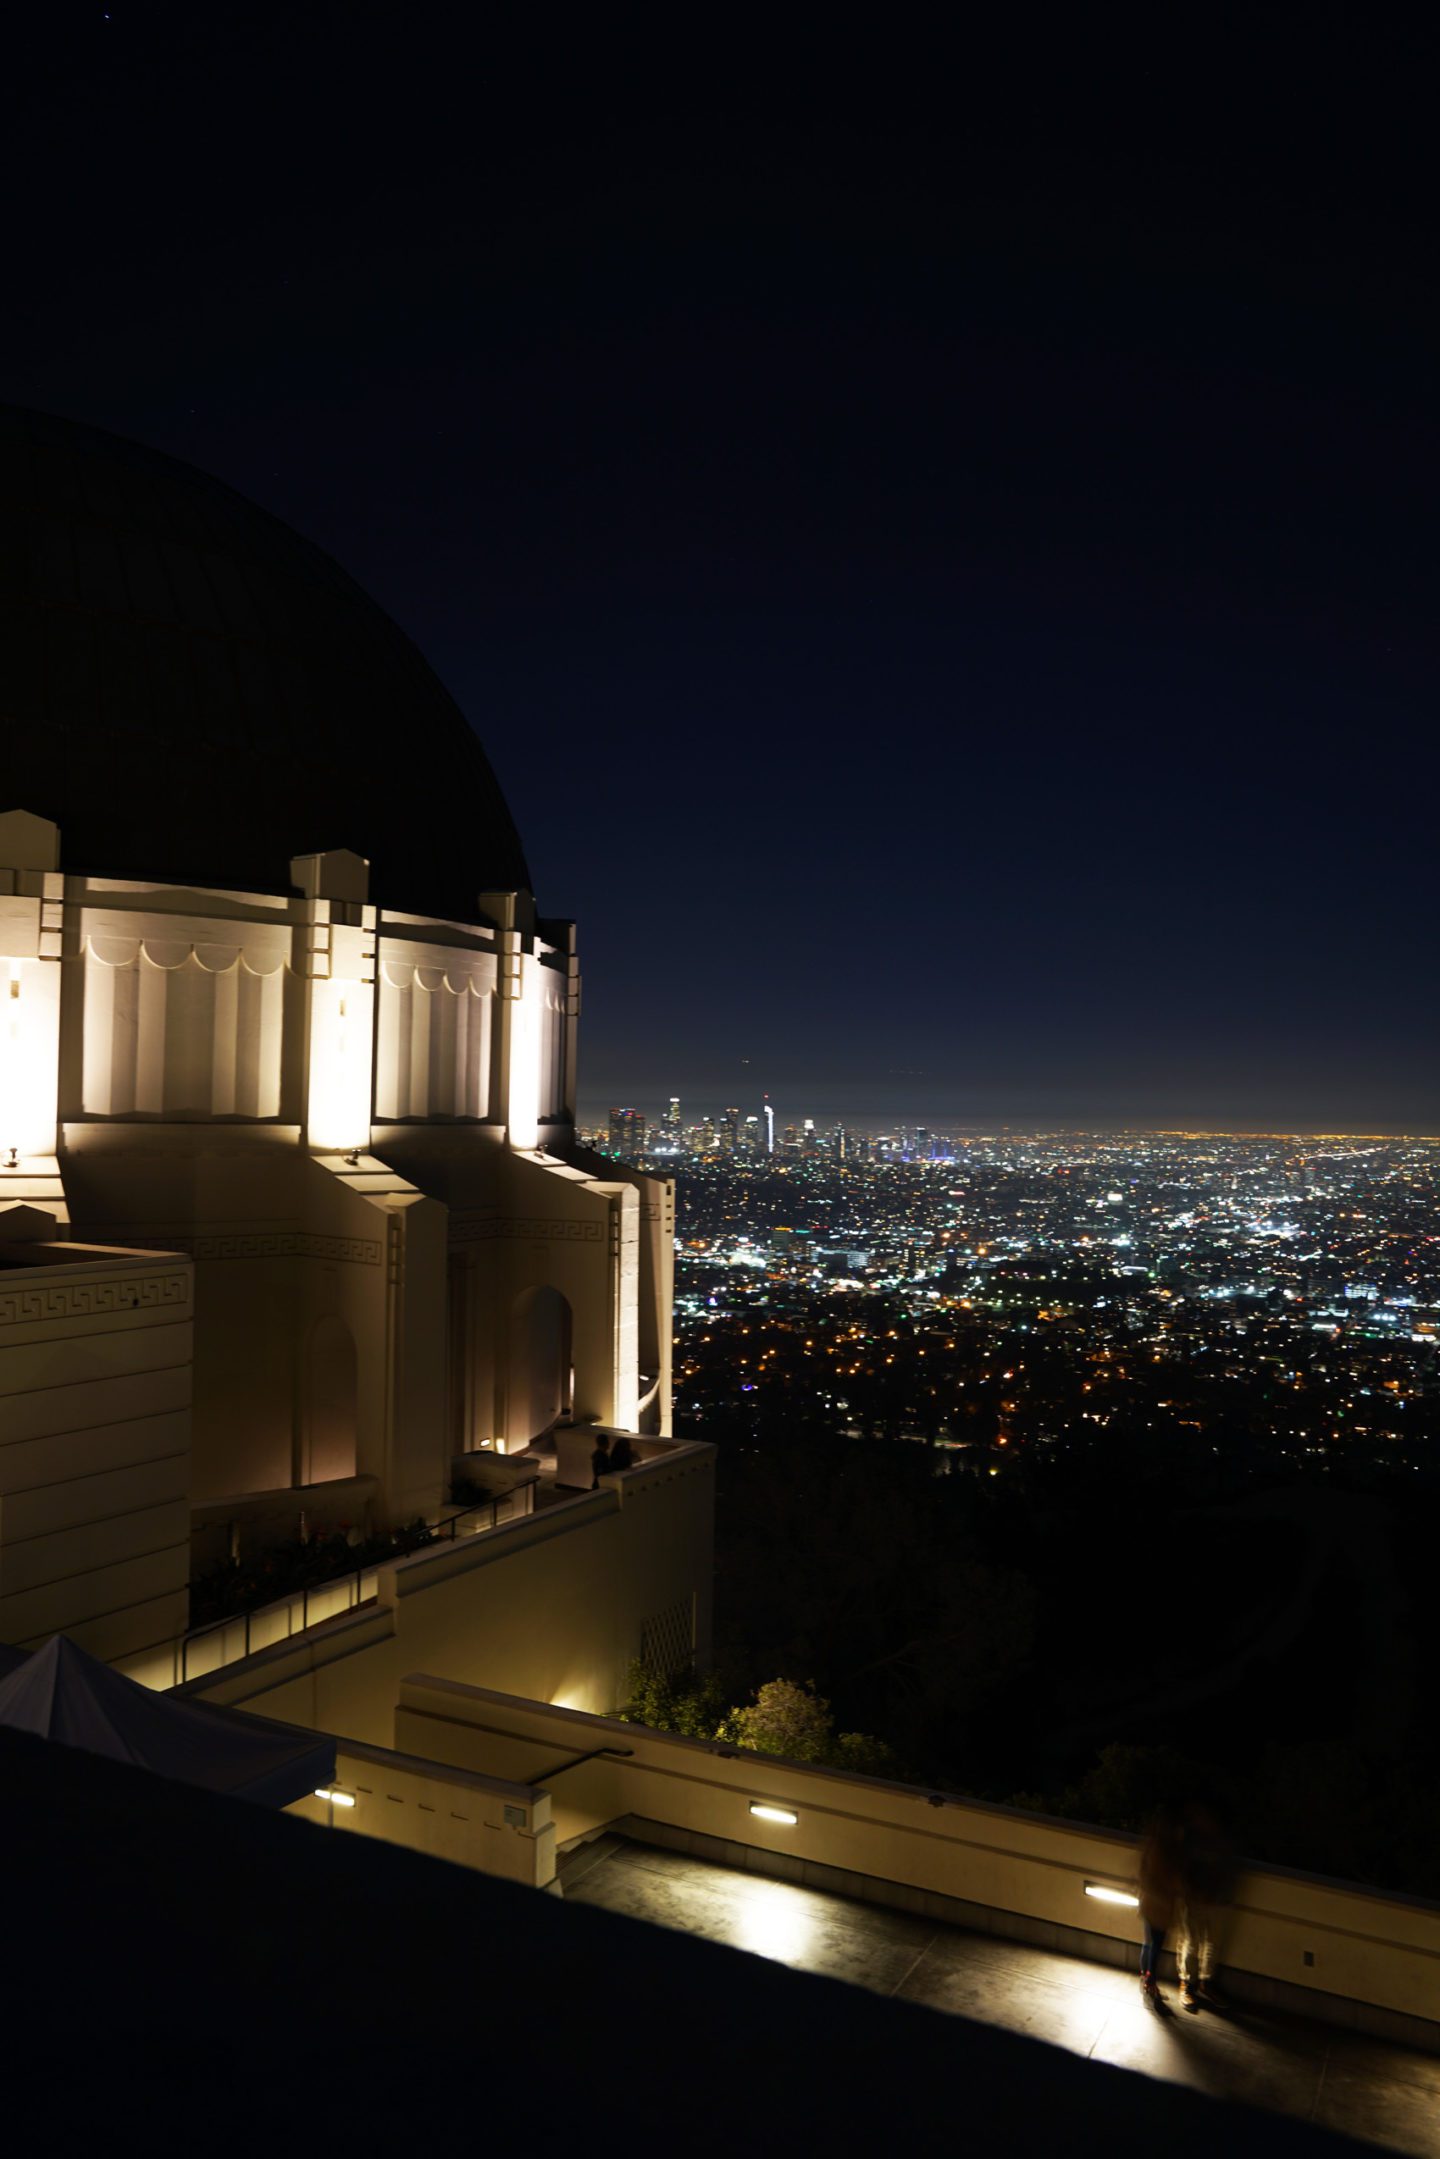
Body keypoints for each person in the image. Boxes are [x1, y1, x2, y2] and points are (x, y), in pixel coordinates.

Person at [1176, 1800, 1236, 2010]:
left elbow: (1227, 1867)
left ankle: (1204, 1982)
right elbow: (1183, 1868)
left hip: (1216, 1899)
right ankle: (1187, 1984)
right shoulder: (1192, 1838)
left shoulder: (1219, 1839)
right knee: (1192, 1942)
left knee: (1211, 1943)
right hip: (1196, 1899)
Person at [1137, 1806, 1183, 2012]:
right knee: (1156, 1945)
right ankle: (1150, 1981)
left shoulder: (1151, 1846)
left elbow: (1144, 1874)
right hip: (1160, 1905)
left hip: (1148, 1902)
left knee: (1149, 1942)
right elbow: (1171, 1881)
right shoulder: (1167, 1852)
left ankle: (1145, 1976)